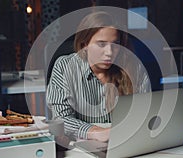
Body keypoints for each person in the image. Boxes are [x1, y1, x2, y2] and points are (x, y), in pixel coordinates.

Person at [46, 11, 151, 142]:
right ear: (84, 44)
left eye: (115, 44)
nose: (109, 52)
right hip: (84, 144)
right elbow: (61, 119)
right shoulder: (64, 66)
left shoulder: (133, 67)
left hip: (127, 142)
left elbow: (144, 113)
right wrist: (95, 132)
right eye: (101, 44)